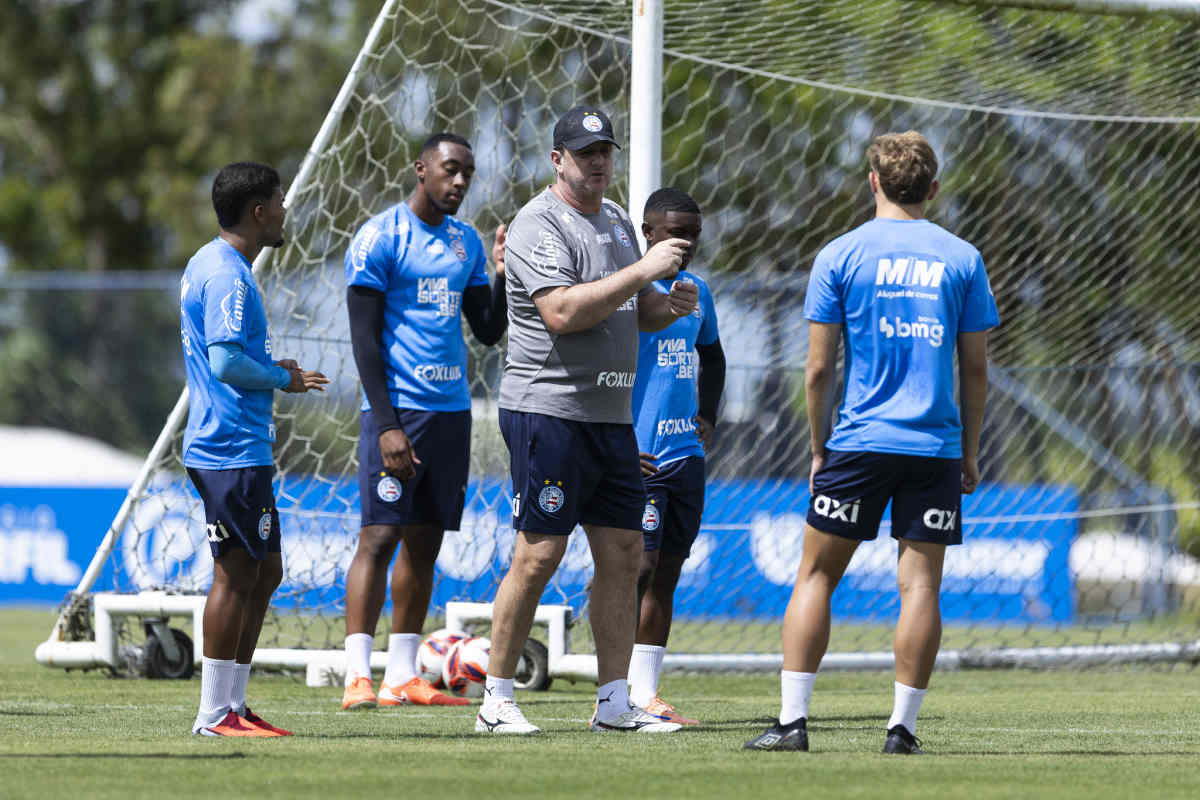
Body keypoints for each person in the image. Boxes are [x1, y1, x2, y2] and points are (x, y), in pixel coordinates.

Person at [744, 131, 998, 754]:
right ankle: (901, 730)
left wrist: (817, 446)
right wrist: (968, 449)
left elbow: (817, 370)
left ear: (873, 182)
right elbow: (975, 369)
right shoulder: (961, 258)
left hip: (857, 441)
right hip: (934, 445)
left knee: (816, 577)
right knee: (919, 588)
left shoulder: (840, 254)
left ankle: (792, 724)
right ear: (933, 189)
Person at [476, 107, 699, 735]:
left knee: (624, 554)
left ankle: (613, 703)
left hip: (610, 417)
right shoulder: (537, 223)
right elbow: (564, 313)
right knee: (539, 554)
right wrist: (643, 272)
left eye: (605, 150)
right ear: (557, 160)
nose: (598, 161)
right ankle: (496, 701)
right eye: (584, 152)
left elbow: (634, 312)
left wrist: (667, 306)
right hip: (549, 412)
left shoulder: (622, 222)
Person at [340, 133, 508, 710]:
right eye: (450, 169)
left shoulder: (466, 244)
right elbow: (363, 339)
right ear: (421, 169)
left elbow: (486, 329)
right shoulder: (378, 238)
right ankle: (357, 675)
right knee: (379, 535)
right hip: (396, 412)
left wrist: (502, 273)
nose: (460, 182)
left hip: (450, 414)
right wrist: (386, 424)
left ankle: (401, 677)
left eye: (468, 173)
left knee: (424, 544)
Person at [183, 162, 329, 737]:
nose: (286, 211)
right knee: (235, 574)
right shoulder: (227, 276)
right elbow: (224, 361)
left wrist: (272, 370)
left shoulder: (212, 263)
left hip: (239, 446)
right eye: (280, 201)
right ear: (258, 212)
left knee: (265, 571)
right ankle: (214, 714)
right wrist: (280, 377)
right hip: (228, 446)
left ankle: (235, 706)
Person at [627, 188, 725, 726]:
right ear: (648, 232)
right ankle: (615, 691)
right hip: (638, 455)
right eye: (673, 233)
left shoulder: (699, 292)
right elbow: (604, 370)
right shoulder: (627, 290)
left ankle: (646, 694)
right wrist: (619, 438)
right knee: (636, 568)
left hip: (684, 454)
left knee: (666, 571)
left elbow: (713, 354)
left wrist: (708, 413)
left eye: (693, 234)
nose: (685, 243)